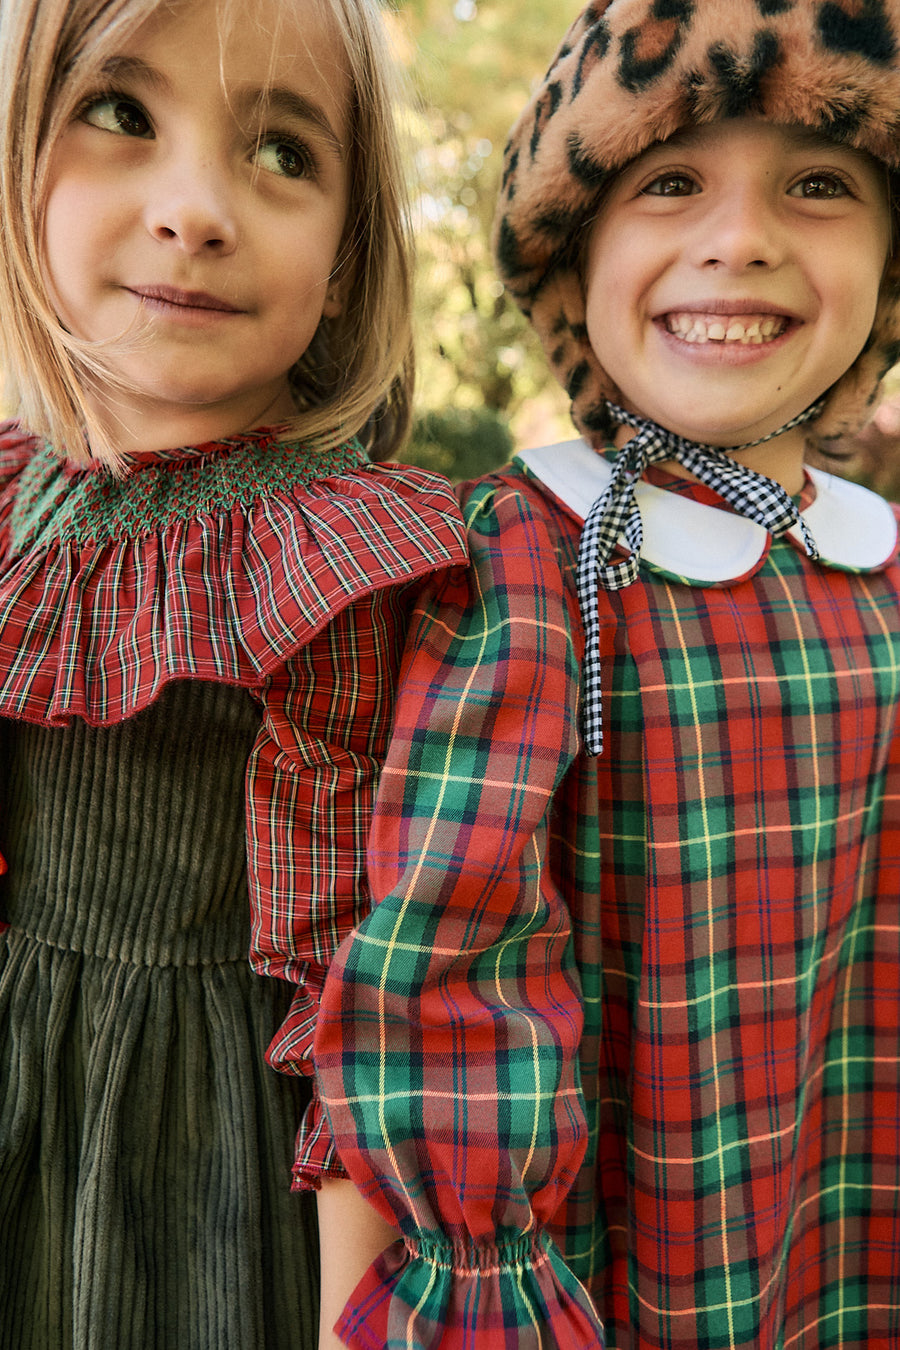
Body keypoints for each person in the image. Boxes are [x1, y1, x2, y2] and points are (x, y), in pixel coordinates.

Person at [311, 2, 900, 1347]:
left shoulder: (884, 564)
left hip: (847, 1230)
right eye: (670, 182)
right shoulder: (530, 562)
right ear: (573, 259)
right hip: (634, 1263)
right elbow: (448, 973)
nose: (740, 239)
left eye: (820, 185)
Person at [0, 0, 467, 1346]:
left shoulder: (343, 555)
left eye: (282, 154)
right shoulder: (15, 501)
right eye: (121, 112)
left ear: (348, 256)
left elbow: (364, 993)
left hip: (222, 1159)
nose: (197, 211)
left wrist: (349, 1318)